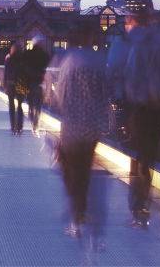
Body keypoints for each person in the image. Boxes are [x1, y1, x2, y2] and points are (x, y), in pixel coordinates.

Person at [122, 12, 160, 239]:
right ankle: (144, 205)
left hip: (140, 108)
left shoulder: (137, 46)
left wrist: (127, 108)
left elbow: (130, 76)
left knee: (137, 159)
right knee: (148, 159)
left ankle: (138, 209)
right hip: (157, 110)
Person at [51, 31, 111, 243]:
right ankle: (83, 210)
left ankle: (77, 215)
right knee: (84, 167)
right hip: (92, 126)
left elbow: (60, 93)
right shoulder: (98, 62)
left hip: (73, 125)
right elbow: (106, 94)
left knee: (70, 168)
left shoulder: (70, 62)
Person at [23, 37, 50, 135]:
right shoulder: (44, 55)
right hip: (39, 83)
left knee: (30, 103)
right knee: (38, 105)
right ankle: (35, 124)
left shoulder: (27, 54)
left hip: (29, 83)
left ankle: (31, 115)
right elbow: (47, 68)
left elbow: (23, 67)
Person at [4, 42, 25, 134]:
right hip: (21, 84)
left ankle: (13, 126)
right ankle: (19, 126)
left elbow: (6, 73)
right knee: (20, 105)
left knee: (11, 106)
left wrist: (5, 85)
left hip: (11, 84)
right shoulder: (23, 60)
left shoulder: (9, 59)